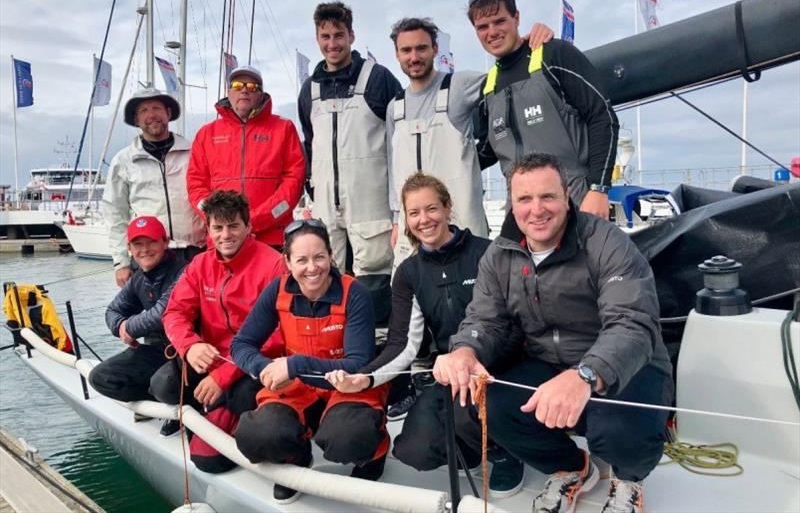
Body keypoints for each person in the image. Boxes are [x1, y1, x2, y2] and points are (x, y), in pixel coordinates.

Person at [434, 153, 673, 513]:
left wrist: (586, 375)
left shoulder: (607, 243)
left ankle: (628, 479)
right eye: (524, 199)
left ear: (567, 197)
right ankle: (572, 467)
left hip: (627, 364)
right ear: (512, 206)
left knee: (618, 427)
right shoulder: (500, 256)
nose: (537, 209)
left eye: (547, 196)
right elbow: (485, 319)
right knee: (494, 406)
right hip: (549, 361)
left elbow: (631, 322)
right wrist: (466, 350)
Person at [327, 172, 525, 498]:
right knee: (415, 451)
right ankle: (474, 446)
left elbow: (517, 321)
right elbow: (401, 344)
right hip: (450, 370)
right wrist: (364, 378)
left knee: (471, 413)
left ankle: (507, 448)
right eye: (414, 213)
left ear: (448, 208)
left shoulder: (488, 254)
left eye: (431, 209)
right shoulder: (408, 273)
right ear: (406, 219)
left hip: (500, 367)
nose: (424, 220)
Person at [232, 219, 389, 504]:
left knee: (349, 437)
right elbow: (241, 345)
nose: (312, 267)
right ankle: (297, 454)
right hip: (297, 389)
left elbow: (358, 362)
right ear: (287, 262)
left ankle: (374, 454)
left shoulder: (355, 294)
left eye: (319, 257)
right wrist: (264, 368)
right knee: (257, 435)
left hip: (347, 385)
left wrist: (294, 365)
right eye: (301, 260)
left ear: (331, 255)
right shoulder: (276, 292)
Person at [386, 17, 555, 265]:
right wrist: (395, 218)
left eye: (421, 48)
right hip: (413, 227)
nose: (414, 57)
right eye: (406, 50)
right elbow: (393, 168)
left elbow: (508, 76)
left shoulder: (459, 86)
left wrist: (528, 44)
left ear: (435, 49)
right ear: (397, 55)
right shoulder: (394, 108)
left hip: (462, 225)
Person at [153, 190, 285, 473]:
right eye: (218, 227)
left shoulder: (273, 264)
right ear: (208, 230)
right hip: (210, 356)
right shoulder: (200, 264)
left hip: (250, 366)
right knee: (163, 384)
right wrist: (190, 346)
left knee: (208, 460)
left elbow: (278, 334)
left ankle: (231, 416)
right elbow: (174, 313)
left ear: (248, 227)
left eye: (233, 225)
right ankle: (204, 410)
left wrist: (224, 376)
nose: (226, 234)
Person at [468, 0, 619, 219]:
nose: (492, 32)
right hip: (522, 211)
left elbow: (601, 115)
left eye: (499, 21)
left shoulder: (553, 54)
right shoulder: (488, 87)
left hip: (574, 201)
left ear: (516, 18)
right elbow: (488, 149)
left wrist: (599, 188)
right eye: (483, 27)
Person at [298, 1, 402, 325]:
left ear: (352, 36)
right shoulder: (310, 90)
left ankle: (379, 348)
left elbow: (398, 138)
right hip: (327, 207)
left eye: (339, 35)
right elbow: (310, 143)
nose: (332, 44)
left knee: (374, 276)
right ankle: (331, 344)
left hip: (370, 205)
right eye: (325, 36)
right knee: (325, 275)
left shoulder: (378, 79)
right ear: (317, 38)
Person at [187, 65, 305, 251]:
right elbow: (196, 185)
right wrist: (223, 222)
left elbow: (293, 182)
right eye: (237, 84)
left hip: (271, 239)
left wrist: (254, 220)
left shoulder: (284, 128)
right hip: (222, 242)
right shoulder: (206, 134)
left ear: (260, 94)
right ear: (228, 91)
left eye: (252, 86)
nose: (244, 89)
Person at [89, 216, 185, 435]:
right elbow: (112, 311)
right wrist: (121, 325)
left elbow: (164, 311)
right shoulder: (138, 279)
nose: (145, 250)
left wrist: (129, 328)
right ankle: (164, 405)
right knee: (100, 378)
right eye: (138, 244)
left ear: (165, 242)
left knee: (165, 382)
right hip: (158, 350)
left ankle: (184, 406)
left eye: (151, 242)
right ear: (129, 248)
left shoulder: (183, 271)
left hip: (186, 351)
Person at [103, 87, 205, 288]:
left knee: (200, 317)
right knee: (154, 318)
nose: (151, 115)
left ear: (168, 113)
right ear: (136, 120)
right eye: (144, 110)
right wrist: (121, 263)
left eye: (157, 108)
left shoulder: (194, 152)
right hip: (149, 257)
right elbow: (116, 214)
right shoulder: (123, 160)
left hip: (195, 253)